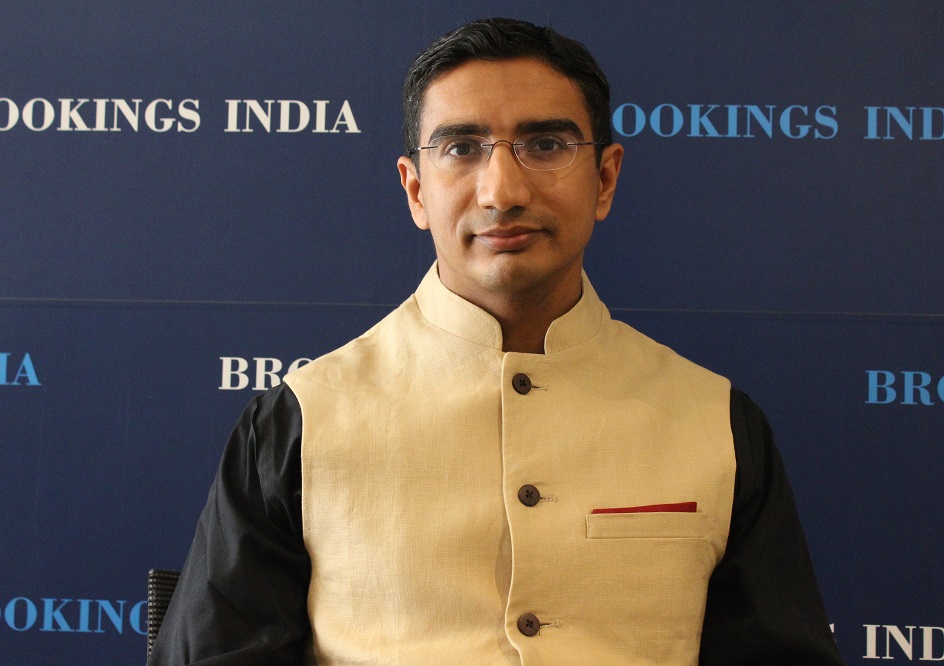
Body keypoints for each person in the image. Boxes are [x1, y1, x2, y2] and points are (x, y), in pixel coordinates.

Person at [148, 17, 843, 665]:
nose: (502, 191)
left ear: (604, 180)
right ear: (416, 190)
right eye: (461, 148)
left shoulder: (715, 423)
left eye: (546, 145)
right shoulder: (299, 421)